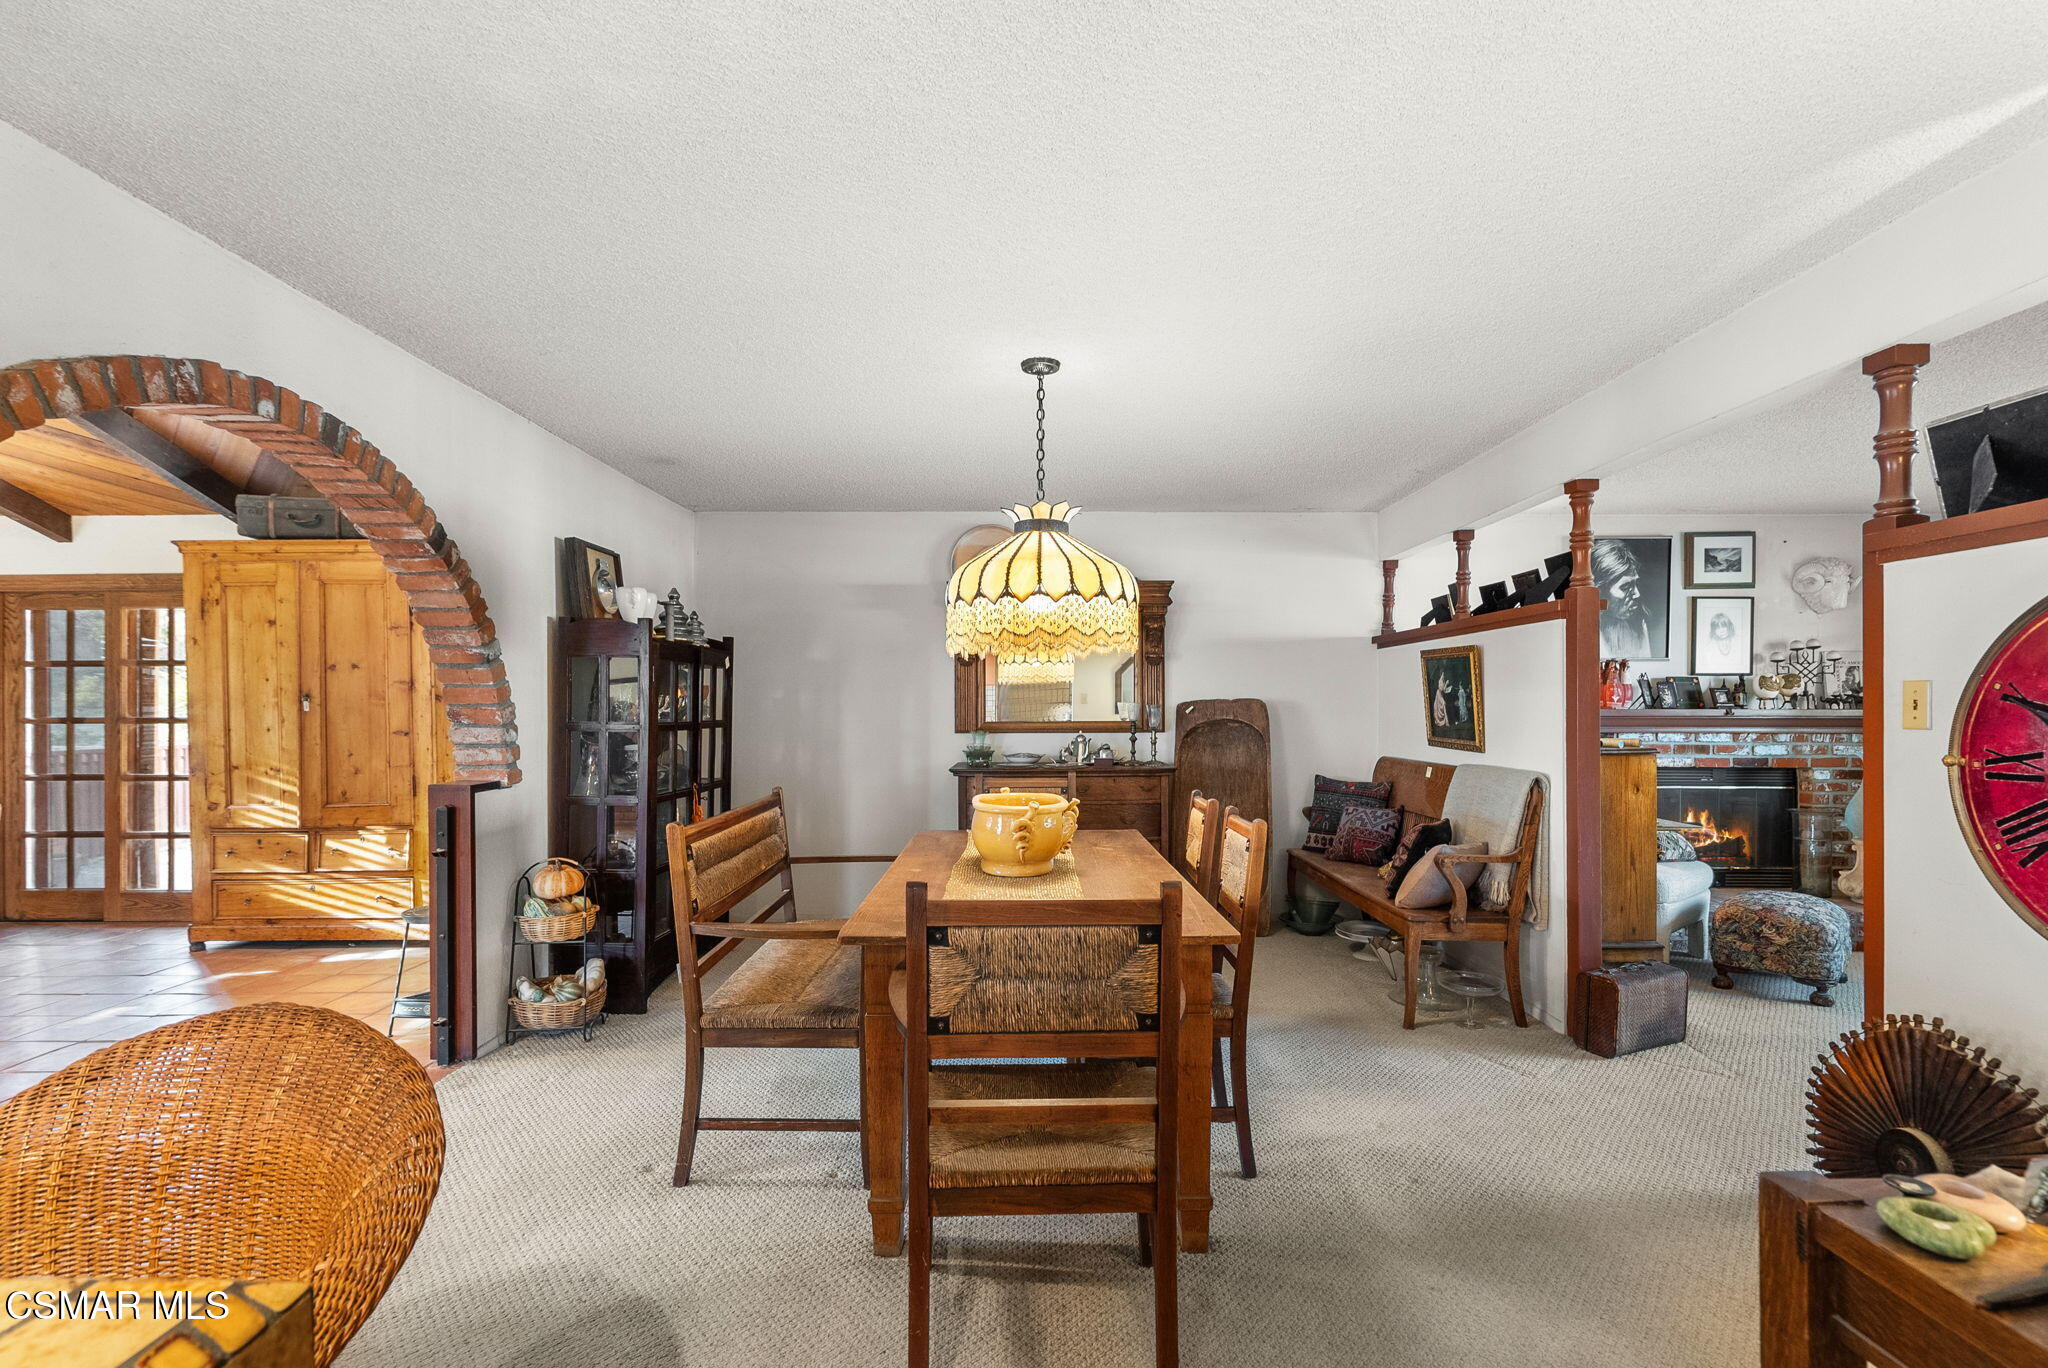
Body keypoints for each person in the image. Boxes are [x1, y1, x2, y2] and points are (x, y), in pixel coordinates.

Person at [1593, 540, 1657, 657]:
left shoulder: (1638, 624)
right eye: (1625, 587)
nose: (1637, 594)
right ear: (1599, 591)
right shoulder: (1586, 630)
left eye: (1635, 584)